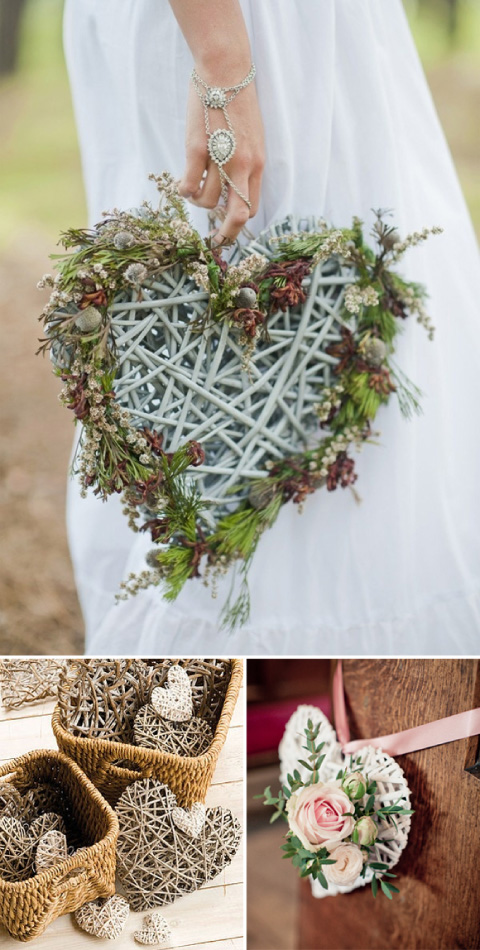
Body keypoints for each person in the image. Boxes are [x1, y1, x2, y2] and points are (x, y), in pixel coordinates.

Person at [63, 0, 480, 654]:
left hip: (313, 28)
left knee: (363, 326)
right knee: (207, 332)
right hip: (243, 29)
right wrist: (223, 60)